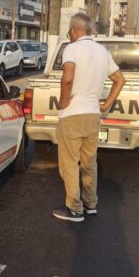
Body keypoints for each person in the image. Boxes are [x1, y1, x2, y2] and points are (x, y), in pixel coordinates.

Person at [52, 13, 125, 223]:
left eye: (69, 31)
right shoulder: (102, 51)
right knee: (89, 162)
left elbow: (67, 79)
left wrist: (63, 102)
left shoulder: (72, 48)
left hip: (73, 114)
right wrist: (106, 104)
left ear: (74, 30)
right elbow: (120, 80)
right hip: (94, 114)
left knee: (69, 164)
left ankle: (75, 209)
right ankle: (91, 204)